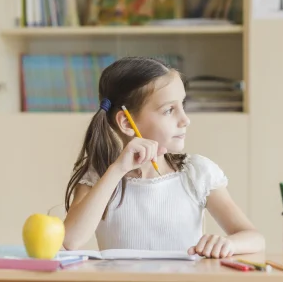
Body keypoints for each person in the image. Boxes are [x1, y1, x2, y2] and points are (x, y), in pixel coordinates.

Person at [63, 57, 265, 258]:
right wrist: (117, 170)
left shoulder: (196, 172)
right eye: (169, 110)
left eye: (182, 105)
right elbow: (71, 240)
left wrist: (228, 243)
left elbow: (254, 237)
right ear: (126, 122)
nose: (185, 119)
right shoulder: (100, 175)